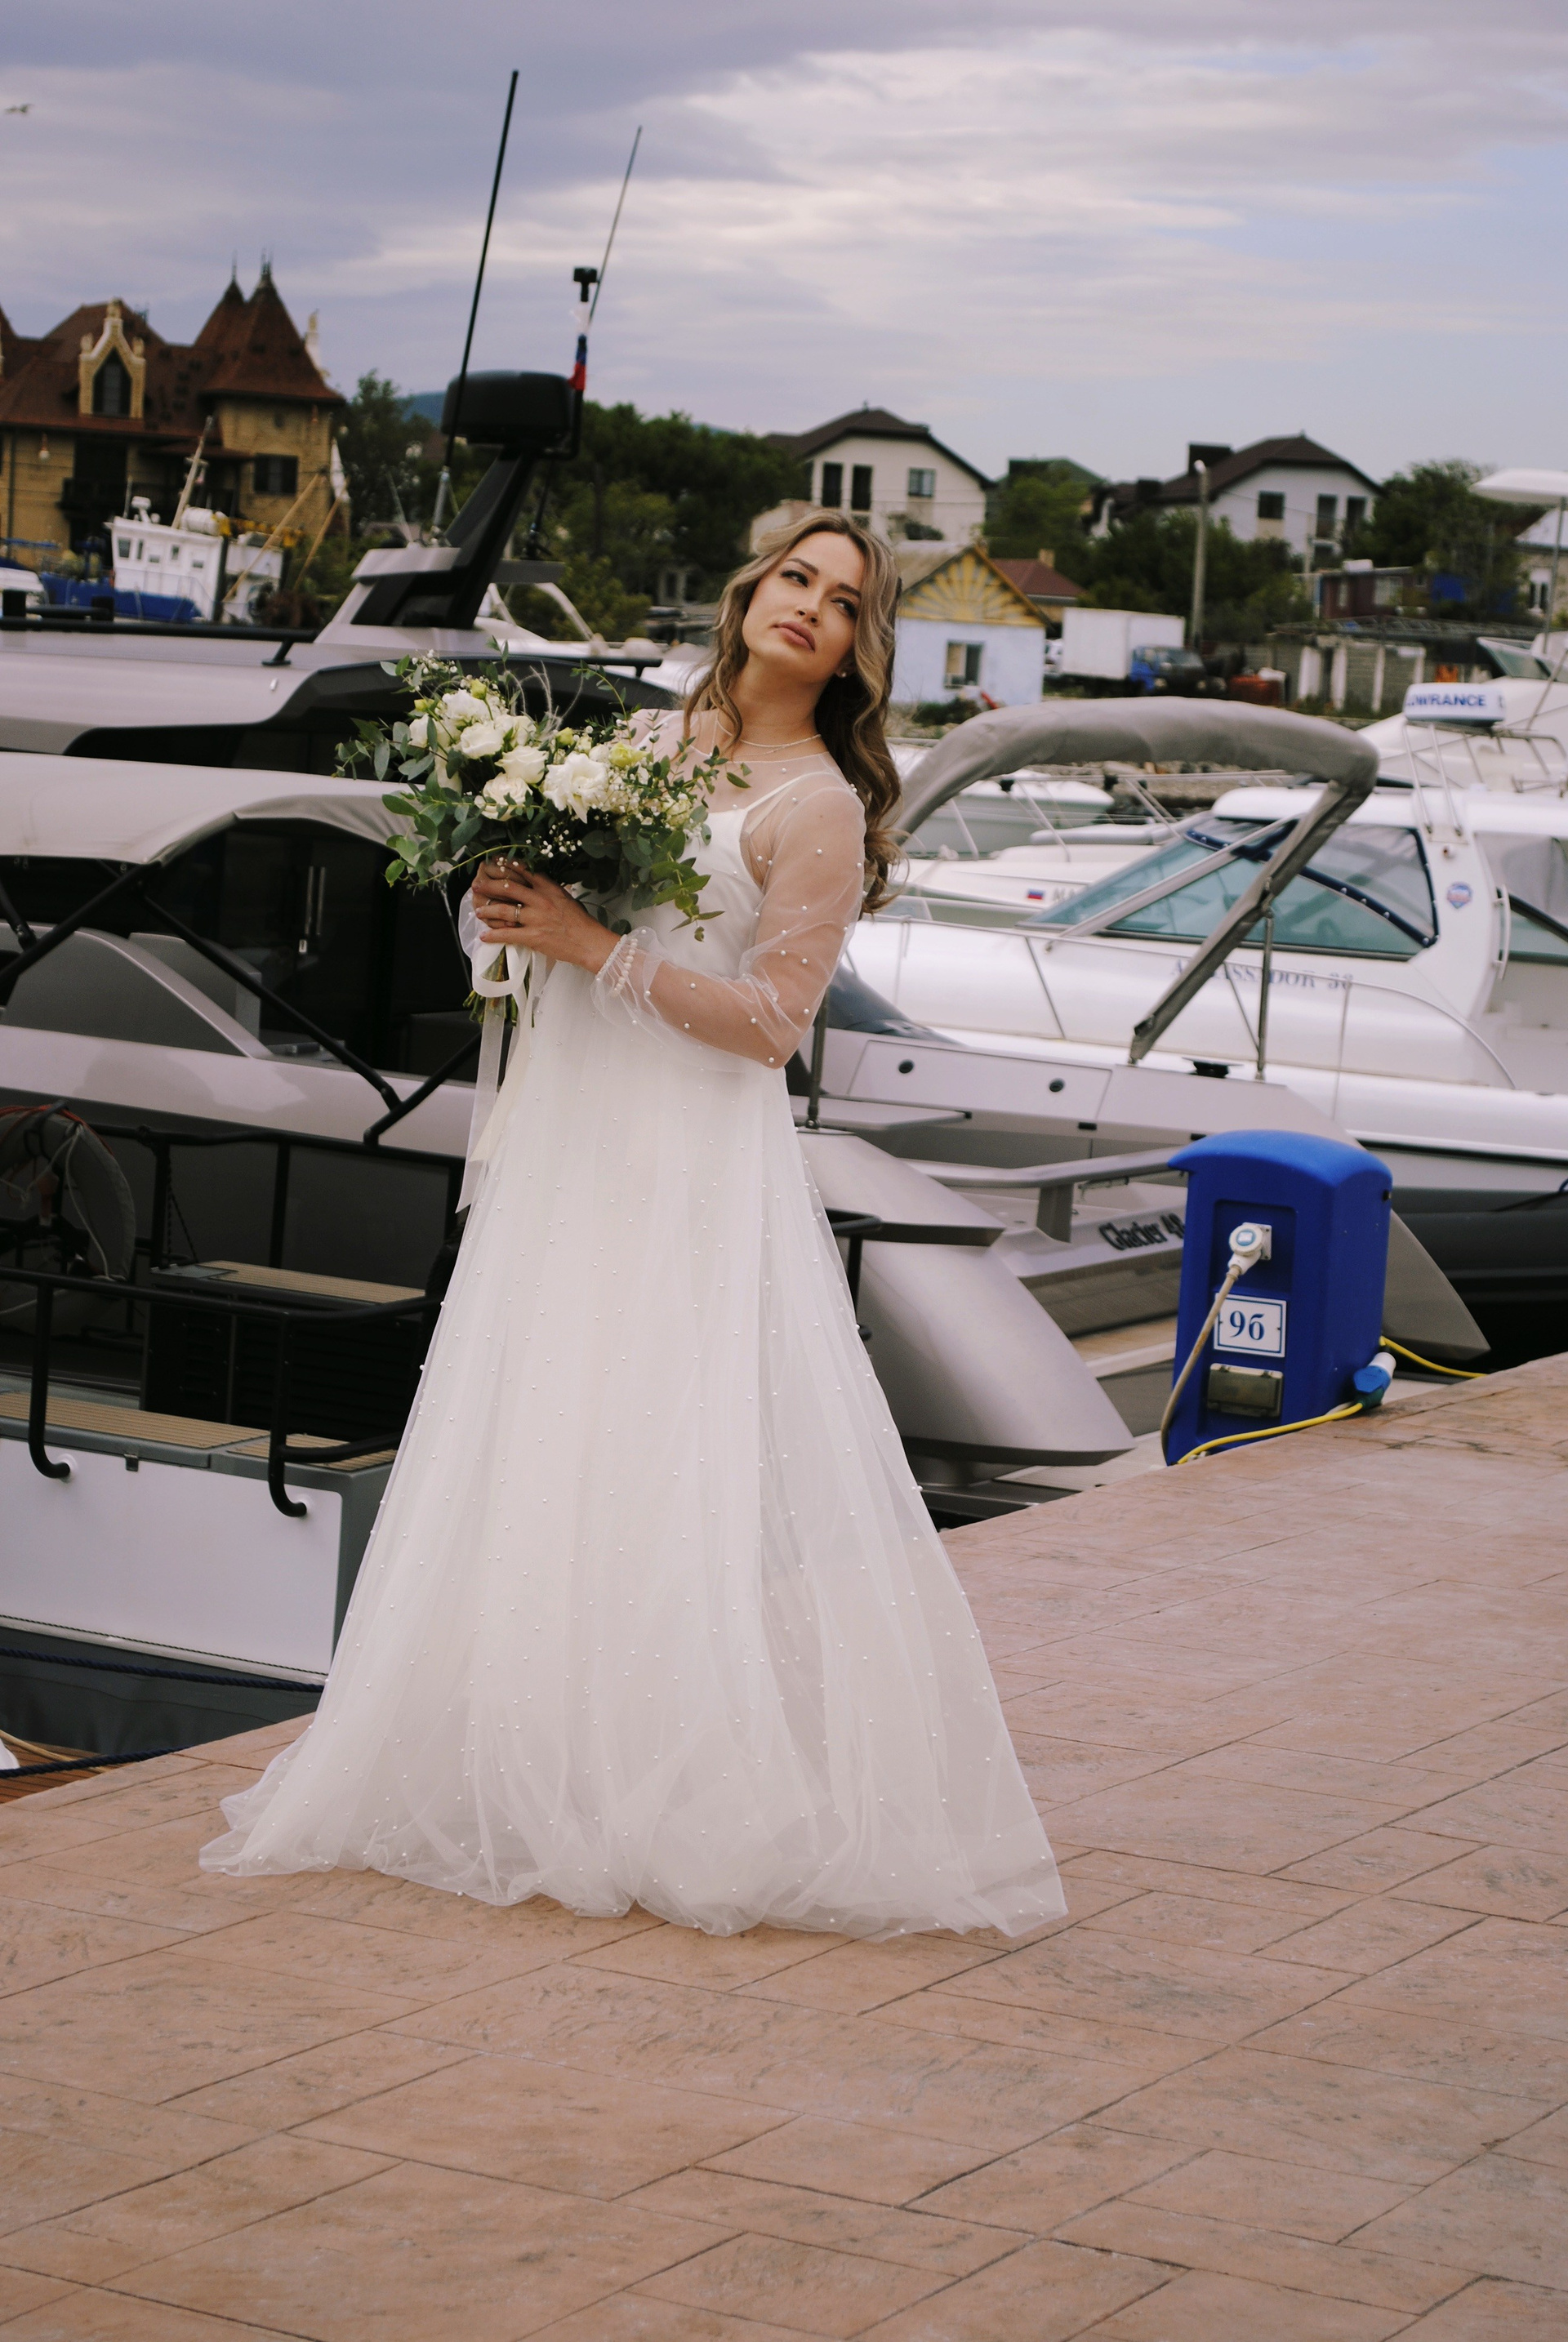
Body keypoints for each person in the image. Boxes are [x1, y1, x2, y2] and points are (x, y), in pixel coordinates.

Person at [202, 511, 1064, 1940]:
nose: (810, 605)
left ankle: (651, 1783)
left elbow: (771, 1027)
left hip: (684, 1159)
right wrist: (509, 913)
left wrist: (592, 945)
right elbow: (540, 938)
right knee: (544, 1428)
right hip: (575, 1139)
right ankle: (525, 1762)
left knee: (657, 1446)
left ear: (857, 651)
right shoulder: (650, 745)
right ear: (754, 589)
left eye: (844, 601)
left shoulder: (818, 809)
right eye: (797, 576)